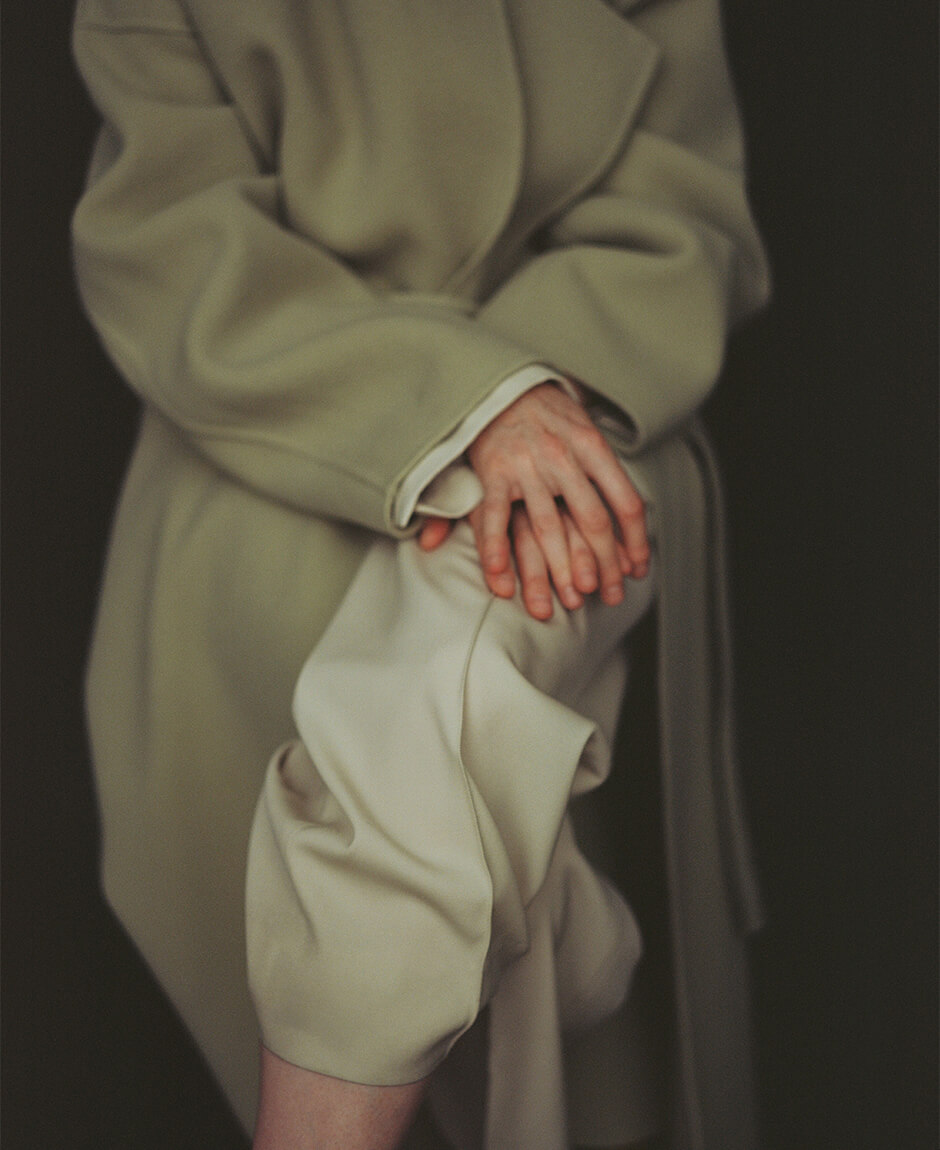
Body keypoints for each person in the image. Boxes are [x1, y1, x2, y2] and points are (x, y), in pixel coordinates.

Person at [71, 0, 771, 1147]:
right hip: (286, 411)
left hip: (595, 378)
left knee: (434, 699)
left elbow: (676, 215)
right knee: (455, 778)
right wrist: (457, 404)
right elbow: (169, 243)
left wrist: (523, 392)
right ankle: (548, 948)